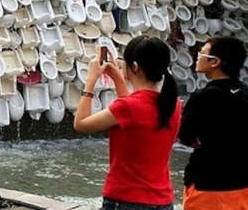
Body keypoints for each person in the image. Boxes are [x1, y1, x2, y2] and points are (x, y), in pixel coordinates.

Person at [74, 35, 181, 210]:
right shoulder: (173, 105)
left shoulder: (128, 107)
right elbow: (133, 116)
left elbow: (81, 123)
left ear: (135, 67)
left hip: (125, 199)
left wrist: (91, 80)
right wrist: (118, 78)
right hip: (162, 201)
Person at [179, 37, 248, 210]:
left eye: (202, 53)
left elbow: (185, 136)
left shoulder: (204, 97)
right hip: (242, 185)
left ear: (215, 62)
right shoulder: (245, 92)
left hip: (208, 186)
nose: (197, 56)